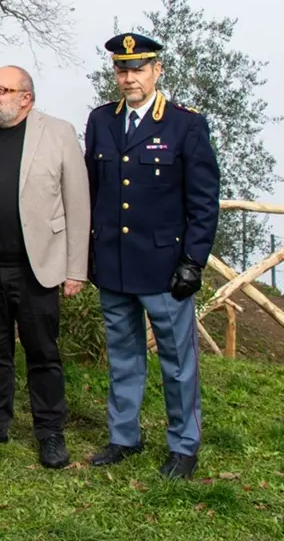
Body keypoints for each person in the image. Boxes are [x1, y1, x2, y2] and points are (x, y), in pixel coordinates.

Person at [85, 33, 220, 479]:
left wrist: (193, 261)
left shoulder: (185, 124)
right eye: (122, 70)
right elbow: (94, 191)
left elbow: (203, 201)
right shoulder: (101, 121)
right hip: (114, 263)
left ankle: (184, 445)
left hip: (165, 268)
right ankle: (124, 435)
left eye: (138, 68)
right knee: (122, 355)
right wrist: (89, 251)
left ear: (157, 70)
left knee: (177, 363)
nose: (129, 78)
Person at [0, 66, 91, 469]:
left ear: (26, 97)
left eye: (1, 89)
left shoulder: (58, 132)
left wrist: (76, 268)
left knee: (43, 353)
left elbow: (78, 203)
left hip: (35, 267)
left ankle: (50, 432)